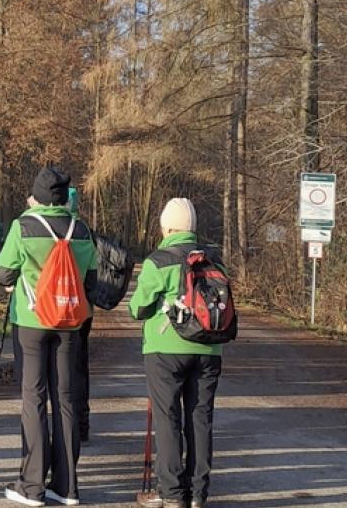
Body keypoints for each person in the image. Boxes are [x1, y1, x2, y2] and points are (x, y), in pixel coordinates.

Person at [0, 167, 98, 507]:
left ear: (36, 195)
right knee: (65, 400)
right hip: (70, 322)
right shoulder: (81, 229)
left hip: (32, 320)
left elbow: (2, 273)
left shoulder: (24, 226)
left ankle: (32, 485)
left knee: (34, 398)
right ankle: (66, 486)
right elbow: (91, 278)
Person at [130, 198, 222, 508]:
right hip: (210, 347)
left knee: (167, 417)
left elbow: (138, 308)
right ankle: (197, 494)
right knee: (200, 418)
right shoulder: (214, 260)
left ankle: (170, 493)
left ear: (167, 228)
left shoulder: (159, 260)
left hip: (165, 349)